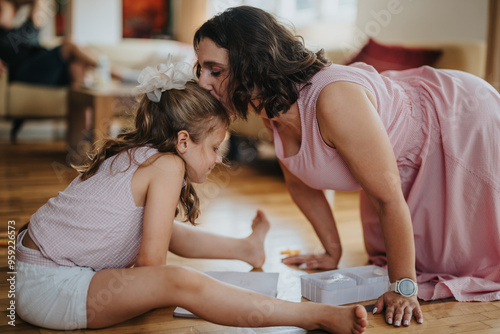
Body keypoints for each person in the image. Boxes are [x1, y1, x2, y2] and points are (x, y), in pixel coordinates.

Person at [194, 5, 500, 328]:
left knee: (475, 259)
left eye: (214, 70)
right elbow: (300, 183)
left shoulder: (333, 99)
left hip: (455, 126)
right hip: (407, 158)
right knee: (427, 259)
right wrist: (332, 251)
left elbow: (388, 197)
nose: (203, 82)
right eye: (200, 69)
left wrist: (402, 287)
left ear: (250, 63)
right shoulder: (271, 111)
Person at [15, 57, 368, 333]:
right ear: (184, 140)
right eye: (215, 147)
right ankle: (311, 316)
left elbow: (162, 238)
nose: (218, 158)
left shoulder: (143, 154)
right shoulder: (167, 166)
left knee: (164, 232)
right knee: (179, 280)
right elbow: (154, 270)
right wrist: (184, 289)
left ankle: (245, 248)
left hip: (35, 272)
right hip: (49, 287)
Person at [0, 0, 131, 86]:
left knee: (76, 64)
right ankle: (123, 75)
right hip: (23, 73)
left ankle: (85, 127)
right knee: (69, 44)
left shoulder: (26, 29)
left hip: (45, 69)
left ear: (13, 12)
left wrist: (16, 2)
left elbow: (39, 2)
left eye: (1, 9)